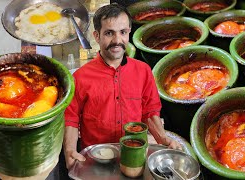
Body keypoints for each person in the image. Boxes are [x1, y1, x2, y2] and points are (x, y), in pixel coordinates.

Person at [63, 3, 182, 170]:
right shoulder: (80, 77)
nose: (117, 40)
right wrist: (69, 150)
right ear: (97, 36)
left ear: (129, 33)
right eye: (109, 33)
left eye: (123, 32)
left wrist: (163, 138)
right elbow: (71, 119)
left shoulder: (143, 71)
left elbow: (149, 112)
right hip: (95, 160)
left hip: (134, 156)